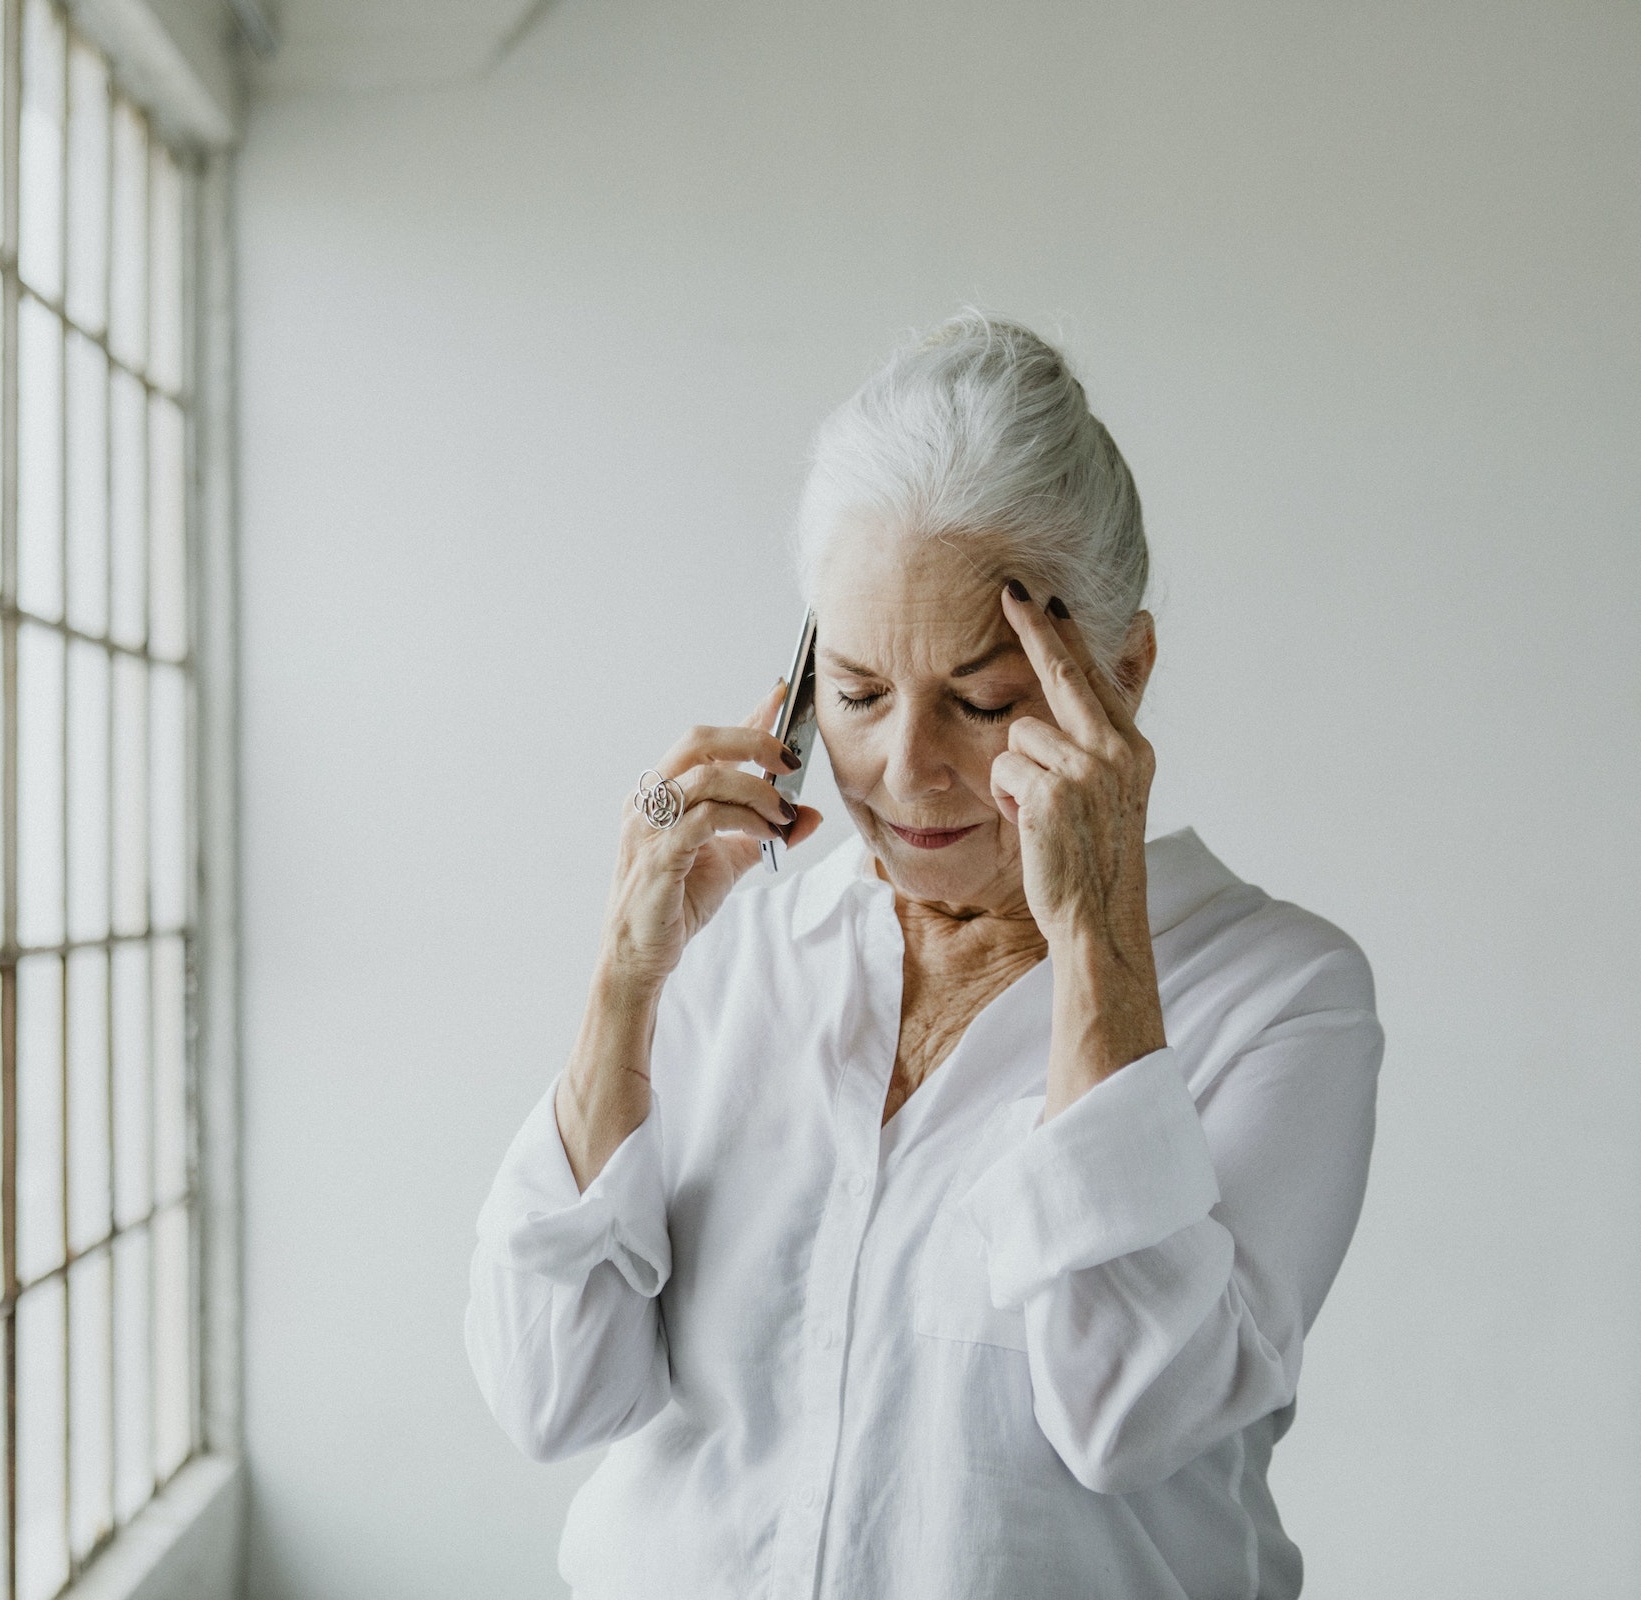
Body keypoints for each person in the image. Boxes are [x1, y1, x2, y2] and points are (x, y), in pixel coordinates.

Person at [465, 314, 1382, 1599]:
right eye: (856, 692)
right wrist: (626, 978)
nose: (905, 771)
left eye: (984, 697)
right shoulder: (737, 953)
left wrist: (1097, 936)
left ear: (1118, 677)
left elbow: (1131, 1408)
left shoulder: (1282, 997)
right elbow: (550, 1388)